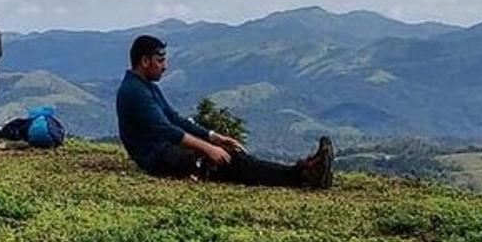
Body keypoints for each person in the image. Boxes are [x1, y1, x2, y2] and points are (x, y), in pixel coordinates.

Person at [116, 35, 333, 188]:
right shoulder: (135, 92)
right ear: (145, 61)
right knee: (231, 162)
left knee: (233, 157)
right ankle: (303, 174)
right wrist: (208, 149)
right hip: (159, 158)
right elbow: (167, 130)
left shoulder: (146, 88)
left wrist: (214, 137)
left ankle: (304, 171)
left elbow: (174, 119)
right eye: (160, 60)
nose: (165, 66)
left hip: (166, 151)